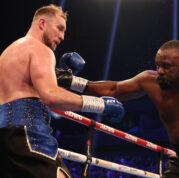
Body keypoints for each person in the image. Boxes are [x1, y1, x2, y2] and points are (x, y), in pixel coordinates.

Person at [56, 40, 179, 178]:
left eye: (167, 66)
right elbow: (114, 89)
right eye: (158, 65)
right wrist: (73, 82)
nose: (160, 71)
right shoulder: (150, 82)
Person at [0, 4, 124, 178]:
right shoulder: (40, 49)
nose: (62, 36)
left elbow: (25, 91)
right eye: (59, 28)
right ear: (42, 23)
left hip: (6, 136)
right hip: (30, 134)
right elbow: (51, 95)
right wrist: (100, 105)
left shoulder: (8, 52)